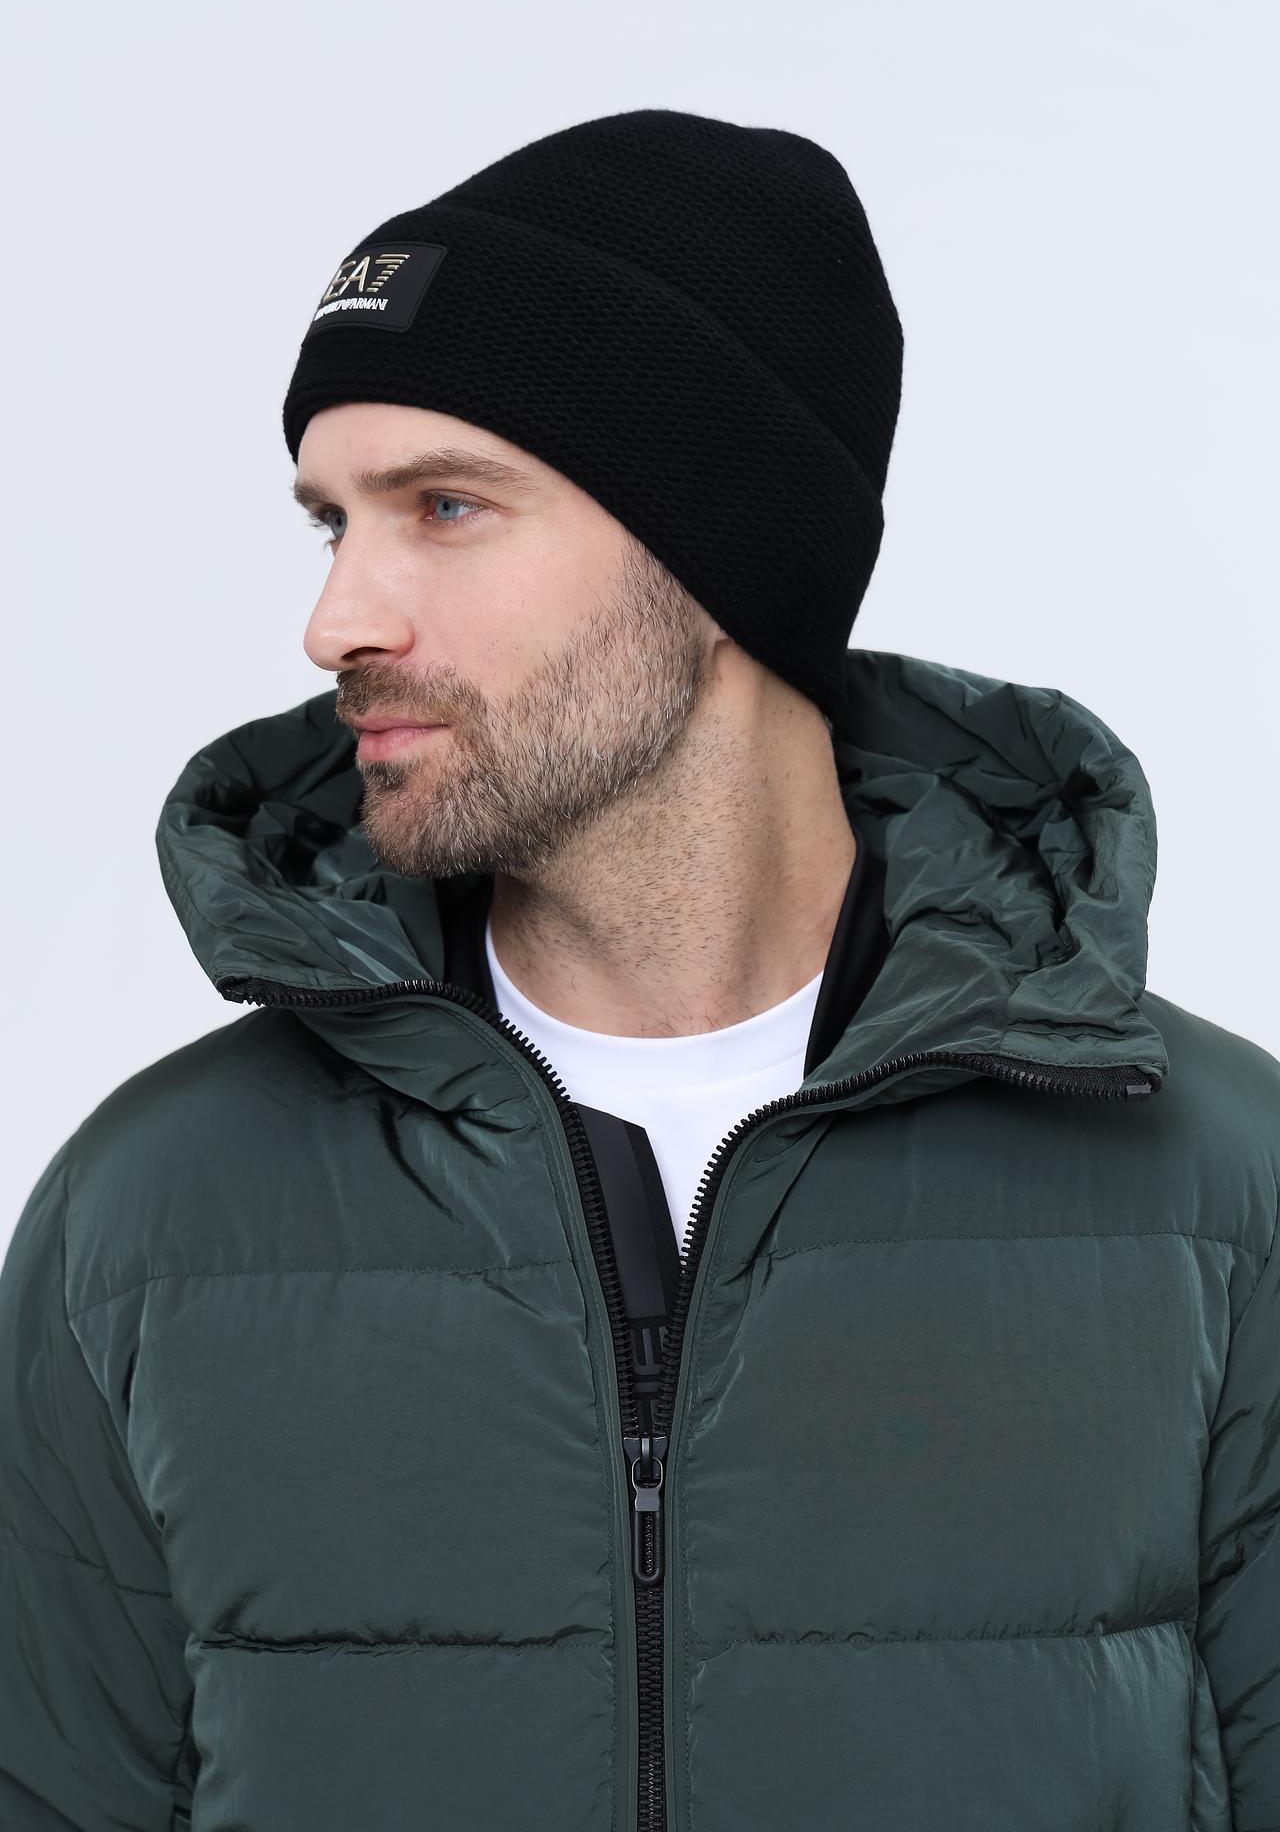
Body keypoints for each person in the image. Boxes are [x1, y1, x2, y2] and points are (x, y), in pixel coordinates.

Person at [1, 107, 1277, 1832]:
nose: (339, 620)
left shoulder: (1221, 1196)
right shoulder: (148, 1222)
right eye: (331, 524)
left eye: (446, 506)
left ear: (719, 547)